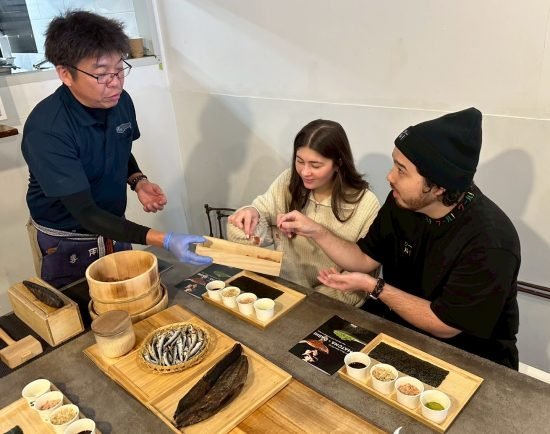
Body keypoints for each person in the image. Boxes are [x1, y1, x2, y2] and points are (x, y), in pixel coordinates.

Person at [277, 108, 521, 369]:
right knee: (305, 354)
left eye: (402, 170)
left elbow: (445, 324)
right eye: (395, 164)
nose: (390, 176)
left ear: (439, 186)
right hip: (398, 328)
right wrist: (316, 230)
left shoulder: (491, 241)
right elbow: (364, 258)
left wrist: (374, 286)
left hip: (468, 356)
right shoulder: (401, 202)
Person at [21, 10, 211, 288]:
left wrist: (138, 181)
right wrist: (165, 239)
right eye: (101, 74)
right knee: (80, 310)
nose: (116, 82)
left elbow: (120, 148)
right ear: (65, 74)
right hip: (67, 242)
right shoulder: (48, 129)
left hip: (114, 226)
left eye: (120, 69)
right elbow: (86, 213)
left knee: (132, 299)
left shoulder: (120, 102)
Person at [227, 119, 380, 306]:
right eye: (300, 161)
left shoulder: (365, 204)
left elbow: (360, 278)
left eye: (315, 165)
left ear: (338, 163)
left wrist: (308, 301)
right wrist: (251, 213)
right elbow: (260, 214)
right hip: (283, 290)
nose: (305, 172)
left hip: (329, 302)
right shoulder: (288, 182)